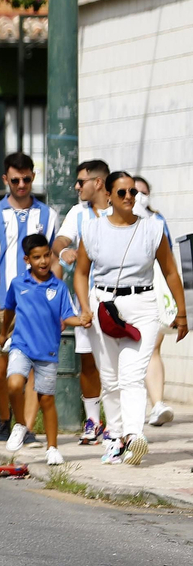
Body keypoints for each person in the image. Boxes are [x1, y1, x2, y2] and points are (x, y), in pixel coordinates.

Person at [73, 171, 188, 466]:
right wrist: (85, 307)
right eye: (122, 192)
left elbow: (171, 271)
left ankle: (134, 436)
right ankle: (114, 437)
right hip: (104, 306)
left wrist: (182, 313)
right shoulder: (93, 230)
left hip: (143, 305)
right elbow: (81, 273)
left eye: (133, 192)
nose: (129, 197)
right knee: (110, 378)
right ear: (108, 196)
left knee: (132, 375)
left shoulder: (152, 229)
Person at [0, 152, 58, 442]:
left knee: (34, 369)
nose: (21, 185)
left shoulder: (48, 215)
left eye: (26, 179)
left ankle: (26, 427)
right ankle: (4, 417)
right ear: (5, 180)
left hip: (38, 307)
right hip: (3, 305)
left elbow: (54, 261)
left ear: (33, 177)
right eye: (15, 180)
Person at [1, 235, 86, 464]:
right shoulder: (18, 284)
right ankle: (20, 425)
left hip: (48, 351)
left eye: (46, 255)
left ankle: (52, 448)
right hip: (21, 346)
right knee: (14, 384)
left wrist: (82, 320)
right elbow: (9, 309)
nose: (43, 261)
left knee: (46, 400)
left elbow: (67, 316)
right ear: (27, 259)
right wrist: (3, 332)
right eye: (37, 257)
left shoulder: (58, 287)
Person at [53, 159, 112, 441]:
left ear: (98, 183)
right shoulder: (78, 213)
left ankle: (116, 423)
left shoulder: (120, 209)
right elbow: (60, 240)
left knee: (116, 365)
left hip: (118, 301)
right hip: (86, 302)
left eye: (81, 181)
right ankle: (93, 421)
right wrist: (63, 251)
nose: (76, 187)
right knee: (88, 363)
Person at [132, 175, 176, 428]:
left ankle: (157, 404)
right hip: (124, 295)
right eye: (133, 191)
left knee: (153, 347)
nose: (138, 196)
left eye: (143, 192)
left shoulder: (157, 221)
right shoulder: (112, 221)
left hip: (153, 292)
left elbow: (168, 261)